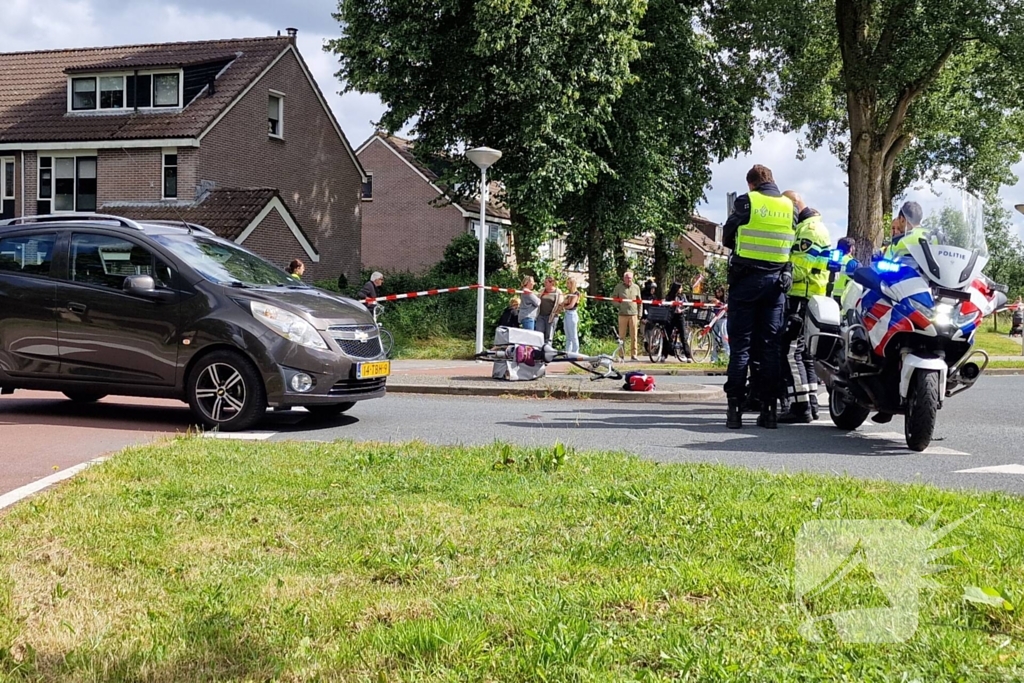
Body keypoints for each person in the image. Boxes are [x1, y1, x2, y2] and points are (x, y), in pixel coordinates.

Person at [722, 164, 797, 429]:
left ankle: (734, 411)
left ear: (751, 184)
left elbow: (726, 237)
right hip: (776, 284)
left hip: (745, 281)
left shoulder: (748, 201)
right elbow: (791, 245)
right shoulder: (790, 208)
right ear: (772, 180)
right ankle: (769, 412)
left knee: (740, 347)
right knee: (770, 349)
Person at [778, 191, 831, 424]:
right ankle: (811, 404)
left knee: (789, 352)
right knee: (804, 355)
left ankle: (800, 406)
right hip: (810, 297)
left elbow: (800, 268)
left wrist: (781, 274)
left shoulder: (808, 231)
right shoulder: (812, 227)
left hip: (802, 296)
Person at [662, 281, 697, 362]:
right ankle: (664, 355)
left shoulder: (682, 296)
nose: (681, 289)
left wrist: (682, 309)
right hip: (671, 317)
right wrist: (669, 305)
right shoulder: (669, 296)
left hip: (680, 317)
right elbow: (665, 304)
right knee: (667, 335)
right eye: (680, 287)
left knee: (683, 336)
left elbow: (688, 305)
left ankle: (688, 356)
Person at [612, 270, 642, 361]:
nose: (629, 279)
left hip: (634, 314)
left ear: (632, 278)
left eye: (630, 278)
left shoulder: (636, 287)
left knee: (634, 336)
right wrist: (619, 304)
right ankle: (621, 355)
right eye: (627, 278)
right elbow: (613, 299)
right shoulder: (619, 287)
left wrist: (640, 314)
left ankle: (634, 355)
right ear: (623, 278)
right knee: (621, 336)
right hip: (622, 315)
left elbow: (640, 301)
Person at [831, 237, 859, 305]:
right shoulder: (851, 262)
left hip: (830, 293)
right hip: (844, 296)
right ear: (850, 248)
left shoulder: (833, 260)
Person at [536, 276, 564, 342]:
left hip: (551, 317)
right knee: (539, 334)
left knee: (549, 336)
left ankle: (548, 350)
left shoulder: (558, 291)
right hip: (541, 316)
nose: (545, 283)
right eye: (544, 282)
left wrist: (556, 313)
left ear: (552, 283)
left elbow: (561, 303)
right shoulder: (542, 290)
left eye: (546, 282)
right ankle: (539, 350)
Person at [560, 278, 582, 353]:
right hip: (566, 314)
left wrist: (563, 307)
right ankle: (568, 352)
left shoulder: (576, 293)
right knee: (568, 335)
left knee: (573, 335)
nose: (567, 285)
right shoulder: (568, 293)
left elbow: (571, 305)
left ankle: (575, 352)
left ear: (573, 284)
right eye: (567, 283)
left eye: (569, 283)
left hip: (572, 314)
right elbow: (563, 302)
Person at [710, 286, 730, 363]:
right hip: (715, 319)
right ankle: (714, 358)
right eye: (716, 292)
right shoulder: (715, 299)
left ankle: (727, 357)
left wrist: (719, 303)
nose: (718, 294)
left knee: (724, 338)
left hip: (723, 319)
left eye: (719, 292)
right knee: (714, 339)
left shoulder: (726, 299)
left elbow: (726, 307)